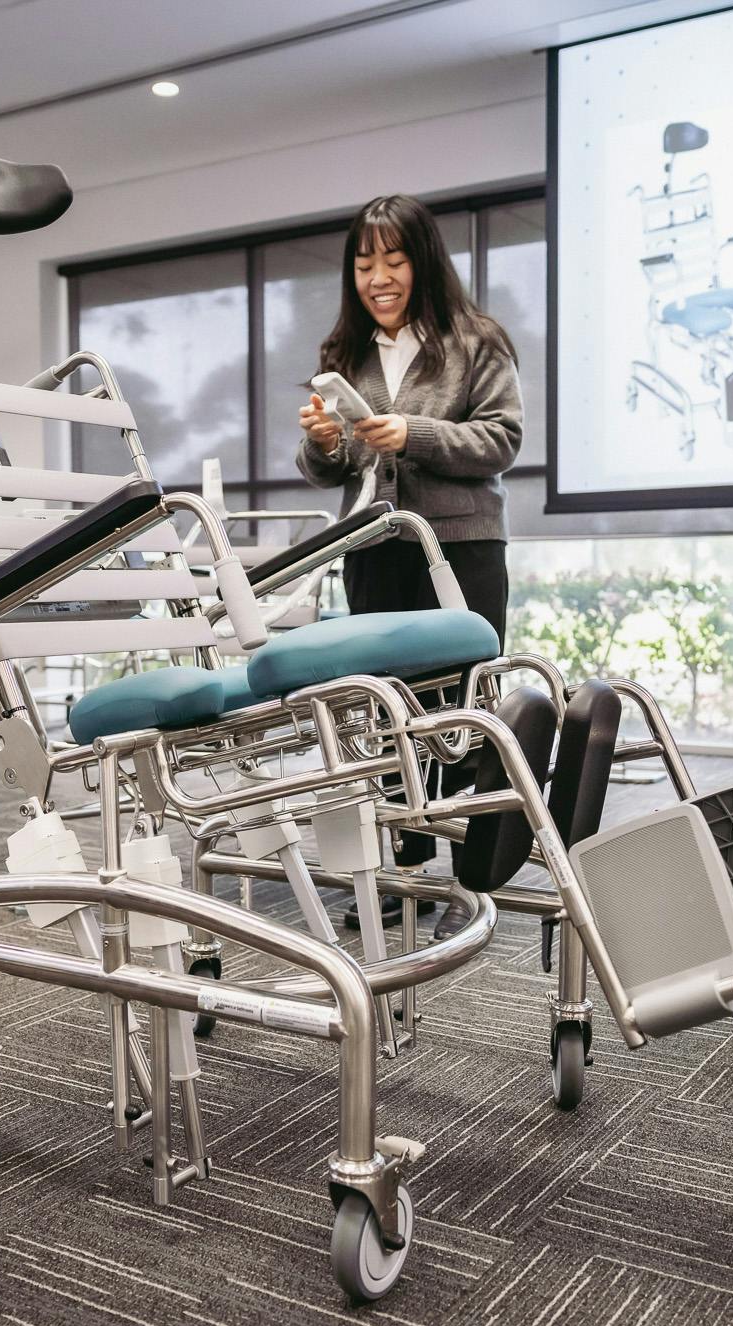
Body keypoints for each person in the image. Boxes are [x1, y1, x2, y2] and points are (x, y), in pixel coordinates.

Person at [295, 194, 523, 940]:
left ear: (422, 261)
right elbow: (325, 471)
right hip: (373, 546)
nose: (378, 277)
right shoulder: (343, 355)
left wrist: (413, 434)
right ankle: (402, 870)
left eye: (393, 260)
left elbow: (501, 440)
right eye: (364, 264)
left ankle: (477, 867)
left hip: (459, 547)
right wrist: (325, 442)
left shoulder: (476, 340)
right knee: (386, 711)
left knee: (461, 704)